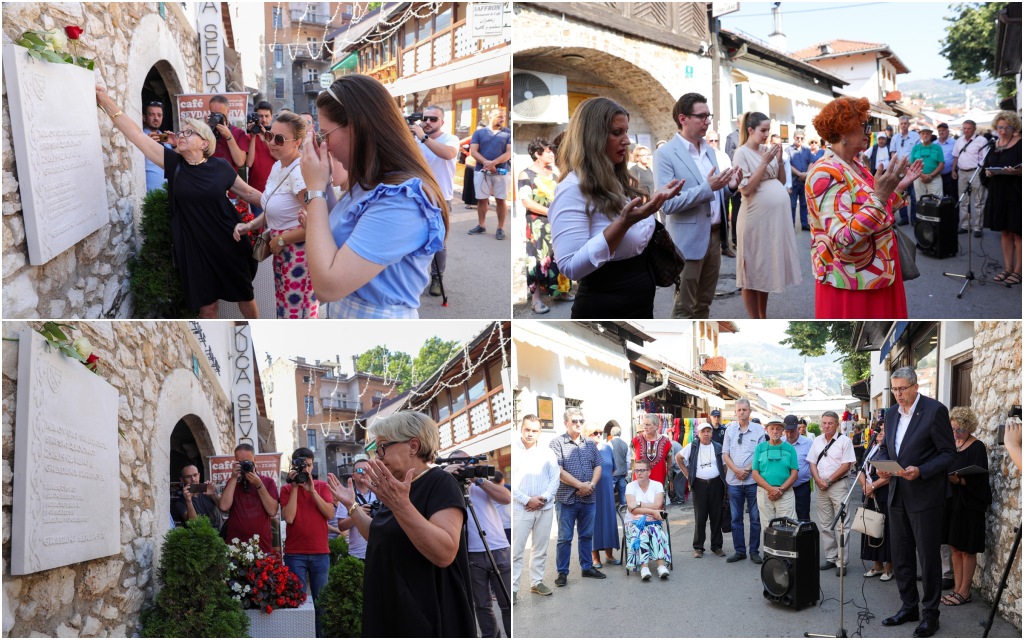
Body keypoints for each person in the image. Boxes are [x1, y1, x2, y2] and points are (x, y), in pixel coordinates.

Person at [96, 86, 263, 319]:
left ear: (204, 143)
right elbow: (136, 135)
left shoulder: (220, 167)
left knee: (245, 296)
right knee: (207, 308)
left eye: (189, 133)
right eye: (181, 132)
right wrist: (105, 101)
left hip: (228, 240)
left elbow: (249, 194)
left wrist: (282, 204)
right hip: (193, 247)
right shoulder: (174, 164)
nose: (182, 135)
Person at [298, 75, 447, 319]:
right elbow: (344, 227)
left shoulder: (402, 201)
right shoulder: (372, 182)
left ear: (356, 128)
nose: (326, 146)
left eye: (326, 135)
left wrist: (314, 189)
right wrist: (322, 184)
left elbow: (327, 286)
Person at [326, 411, 475, 638]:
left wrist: (400, 505)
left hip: (425, 616)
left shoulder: (440, 482)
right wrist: (351, 506)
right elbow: (378, 535)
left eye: (383, 447)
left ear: (413, 446)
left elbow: (445, 552)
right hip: (393, 609)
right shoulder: (396, 488)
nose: (377, 457)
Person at [549, 97, 682, 318]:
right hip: (605, 302)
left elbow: (635, 233)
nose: (627, 140)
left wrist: (651, 205)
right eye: (616, 133)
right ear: (593, 138)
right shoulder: (572, 189)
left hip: (640, 296)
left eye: (626, 132)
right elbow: (570, 266)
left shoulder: (617, 180)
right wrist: (623, 223)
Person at [806, 97, 922, 319]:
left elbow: (878, 211)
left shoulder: (856, 164)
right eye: (863, 125)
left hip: (876, 275)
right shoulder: (824, 172)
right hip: (852, 283)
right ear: (842, 131)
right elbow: (843, 238)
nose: (869, 131)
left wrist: (897, 188)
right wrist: (880, 195)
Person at [875, 367, 956, 639]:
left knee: (928, 557)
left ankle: (930, 614)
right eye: (894, 389)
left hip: (925, 496)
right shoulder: (891, 413)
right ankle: (908, 606)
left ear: (915, 386)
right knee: (901, 556)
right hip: (897, 494)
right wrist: (883, 465)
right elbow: (887, 447)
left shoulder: (934, 411)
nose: (897, 394)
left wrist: (921, 470)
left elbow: (948, 454)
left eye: (902, 389)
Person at [655, 92, 741, 319]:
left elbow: (716, 194)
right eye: (701, 116)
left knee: (704, 304)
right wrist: (707, 188)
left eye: (708, 116)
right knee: (684, 308)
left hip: (714, 237)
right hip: (687, 241)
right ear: (683, 119)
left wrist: (730, 187)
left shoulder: (710, 151)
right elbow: (667, 204)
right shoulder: (665, 154)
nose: (707, 121)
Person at [234, 112, 317, 318]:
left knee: (297, 315)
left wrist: (281, 239)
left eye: (279, 139)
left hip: (298, 254)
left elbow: (315, 223)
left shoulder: (299, 172)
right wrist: (251, 225)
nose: (272, 143)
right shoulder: (278, 165)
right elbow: (273, 206)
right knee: (284, 310)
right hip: (281, 250)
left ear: (297, 142)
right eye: (270, 136)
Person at [733, 112, 802, 319]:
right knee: (750, 273)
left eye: (768, 130)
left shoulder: (767, 150)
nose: (766, 135)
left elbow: (780, 181)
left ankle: (763, 316)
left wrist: (779, 161)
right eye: (763, 130)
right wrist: (763, 163)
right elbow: (745, 189)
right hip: (754, 219)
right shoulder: (741, 154)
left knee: (764, 270)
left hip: (772, 222)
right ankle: (755, 318)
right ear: (750, 130)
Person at [445, 450, 511, 638]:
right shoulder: (447, 484)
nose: (462, 466)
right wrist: (447, 477)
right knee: (482, 606)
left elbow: (506, 498)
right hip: (470, 554)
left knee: (506, 604)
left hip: (498, 549)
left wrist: (478, 479)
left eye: (465, 462)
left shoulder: (481, 482)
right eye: (456, 462)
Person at [280, 447, 335, 637]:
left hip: (320, 553)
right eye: (302, 465)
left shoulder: (321, 486)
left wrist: (312, 491)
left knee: (322, 604)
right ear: (294, 465)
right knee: (298, 602)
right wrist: (295, 486)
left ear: (312, 465)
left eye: (309, 465)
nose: (306, 469)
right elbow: (289, 518)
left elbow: (329, 514)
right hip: (296, 554)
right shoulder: (287, 489)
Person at [941, 407, 992, 607]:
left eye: (960, 430)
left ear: (969, 427)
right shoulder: (952, 445)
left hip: (970, 504)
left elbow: (981, 479)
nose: (956, 433)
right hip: (953, 503)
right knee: (955, 547)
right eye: (953, 429)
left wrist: (959, 481)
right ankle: (957, 588)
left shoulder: (977, 447)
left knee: (967, 549)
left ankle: (965, 591)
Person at [549, 407, 605, 586]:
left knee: (587, 535)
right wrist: (580, 485)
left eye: (581, 421)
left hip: (589, 498)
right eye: (574, 421)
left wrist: (592, 485)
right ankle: (562, 573)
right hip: (566, 499)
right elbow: (558, 471)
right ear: (565, 423)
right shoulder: (556, 443)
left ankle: (587, 567)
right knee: (565, 537)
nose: (579, 424)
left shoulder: (589, 443)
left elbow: (598, 466)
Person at [412, 105, 461, 297]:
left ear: (442, 122)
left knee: (438, 241)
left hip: (441, 198)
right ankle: (414, 276)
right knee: (414, 238)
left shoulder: (450, 139)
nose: (428, 122)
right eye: (425, 118)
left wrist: (423, 137)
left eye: (433, 119)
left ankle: (437, 278)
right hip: (417, 195)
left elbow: (448, 154)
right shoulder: (415, 139)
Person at [519, 137, 571, 314]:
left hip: (557, 223)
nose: (552, 154)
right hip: (537, 225)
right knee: (538, 260)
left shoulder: (555, 174)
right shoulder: (526, 174)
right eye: (548, 151)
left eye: (552, 151)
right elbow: (526, 201)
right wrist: (550, 212)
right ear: (537, 154)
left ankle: (559, 292)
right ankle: (536, 299)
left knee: (558, 257)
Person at [512, 415, 560, 600]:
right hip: (520, 509)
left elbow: (555, 478)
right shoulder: (514, 451)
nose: (530, 434)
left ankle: (536, 582)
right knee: (516, 551)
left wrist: (544, 498)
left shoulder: (547, 453)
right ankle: (513, 589)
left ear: (540, 432)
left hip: (544, 507)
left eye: (534, 430)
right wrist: (527, 500)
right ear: (521, 429)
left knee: (540, 548)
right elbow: (510, 485)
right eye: (527, 429)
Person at [807, 411, 856, 576]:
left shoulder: (845, 441)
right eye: (824, 423)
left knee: (842, 525)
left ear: (836, 424)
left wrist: (828, 480)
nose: (826, 426)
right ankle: (831, 557)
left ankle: (842, 562)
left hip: (838, 485)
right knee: (825, 524)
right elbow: (812, 463)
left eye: (830, 423)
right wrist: (818, 480)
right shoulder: (817, 441)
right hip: (821, 486)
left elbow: (846, 465)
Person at [722, 399, 765, 563]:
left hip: (753, 481)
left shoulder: (758, 430)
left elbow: (760, 454)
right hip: (734, 481)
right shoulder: (730, 430)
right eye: (739, 410)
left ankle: (754, 551)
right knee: (735, 518)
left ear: (750, 411)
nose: (742, 412)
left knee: (755, 518)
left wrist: (747, 469)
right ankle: (739, 551)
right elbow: (725, 454)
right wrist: (736, 470)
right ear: (735, 412)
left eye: (744, 410)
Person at [982, 111, 1022, 285]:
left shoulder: (1020, 144)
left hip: (1016, 193)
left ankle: (1018, 271)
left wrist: (1017, 172)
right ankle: (1007, 268)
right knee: (1004, 232)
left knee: (1017, 232)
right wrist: (989, 172)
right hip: (998, 192)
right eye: (1000, 127)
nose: (1003, 131)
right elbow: (986, 166)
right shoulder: (994, 145)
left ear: (1014, 128)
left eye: (1007, 128)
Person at [219, 443, 280, 555]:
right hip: (235, 547)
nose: (244, 465)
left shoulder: (267, 482)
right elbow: (224, 506)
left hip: (261, 546)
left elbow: (272, 511)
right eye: (240, 462)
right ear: (235, 461)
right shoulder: (233, 482)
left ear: (255, 460)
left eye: (247, 462)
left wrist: (259, 485)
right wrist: (233, 478)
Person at [677, 421, 727, 558]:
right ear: (698, 434)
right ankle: (698, 547)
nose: (706, 434)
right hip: (699, 485)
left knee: (716, 516)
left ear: (711, 433)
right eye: (703, 431)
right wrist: (687, 474)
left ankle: (717, 546)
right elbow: (678, 457)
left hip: (716, 484)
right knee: (700, 517)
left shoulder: (718, 447)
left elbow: (724, 465)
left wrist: (724, 479)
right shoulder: (692, 446)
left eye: (708, 431)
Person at [467, 108, 512, 240]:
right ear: (490, 116)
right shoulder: (479, 133)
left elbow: (508, 153)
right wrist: (486, 163)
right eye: (499, 116)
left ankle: (500, 228)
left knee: (500, 199)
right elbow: (473, 151)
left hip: (501, 171)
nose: (502, 119)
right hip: (482, 171)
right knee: (481, 199)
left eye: (503, 117)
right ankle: (481, 225)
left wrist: (494, 163)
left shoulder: (508, 133)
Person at [623, 460, 671, 580]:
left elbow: (658, 505)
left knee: (656, 531)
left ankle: (661, 567)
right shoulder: (630, 486)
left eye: (642, 470)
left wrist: (639, 504)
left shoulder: (657, 485)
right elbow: (631, 509)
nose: (639, 473)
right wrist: (652, 511)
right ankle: (644, 567)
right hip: (633, 523)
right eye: (636, 470)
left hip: (653, 521)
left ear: (649, 472)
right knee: (643, 533)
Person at [751, 417, 799, 536]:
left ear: (782, 430)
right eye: (771, 428)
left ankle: (787, 554)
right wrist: (771, 489)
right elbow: (755, 473)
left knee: (790, 525)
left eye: (778, 429)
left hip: (785, 492)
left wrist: (781, 490)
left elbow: (794, 474)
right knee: (767, 526)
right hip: (764, 492)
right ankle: (769, 554)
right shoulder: (759, 448)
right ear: (767, 430)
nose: (775, 431)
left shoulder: (790, 448)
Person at [860, 427, 894, 581]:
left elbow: (890, 474)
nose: (881, 432)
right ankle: (877, 564)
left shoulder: (892, 450)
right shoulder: (872, 448)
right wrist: (865, 487)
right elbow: (861, 469)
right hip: (869, 493)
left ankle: (889, 567)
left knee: (886, 530)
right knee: (872, 528)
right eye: (879, 429)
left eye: (884, 430)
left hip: (885, 494)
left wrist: (873, 486)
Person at [586, 427, 619, 569]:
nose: (599, 435)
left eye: (601, 432)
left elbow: (612, 468)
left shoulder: (607, 448)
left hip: (606, 490)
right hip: (591, 490)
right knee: (594, 522)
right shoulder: (584, 449)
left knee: (609, 521)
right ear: (588, 434)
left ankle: (609, 555)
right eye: (595, 432)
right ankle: (595, 558)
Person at [951, 119, 989, 236]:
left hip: (976, 172)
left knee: (978, 201)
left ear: (974, 129)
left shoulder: (981, 140)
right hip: (962, 172)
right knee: (963, 200)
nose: (966, 131)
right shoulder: (959, 140)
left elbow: (985, 158)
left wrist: (983, 171)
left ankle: (977, 227)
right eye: (964, 128)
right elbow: (956, 156)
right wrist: (953, 169)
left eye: (969, 128)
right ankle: (965, 225)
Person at [334, 457, 375, 560]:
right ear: (353, 476)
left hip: (379, 551)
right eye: (360, 470)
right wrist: (357, 512)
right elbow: (341, 527)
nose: (364, 472)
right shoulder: (346, 496)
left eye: (367, 469)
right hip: (357, 554)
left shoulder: (380, 493)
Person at [706, 131, 736, 257]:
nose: (713, 143)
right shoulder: (703, 154)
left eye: (716, 140)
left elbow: (729, 171)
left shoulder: (723, 156)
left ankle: (725, 246)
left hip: (722, 190)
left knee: (724, 219)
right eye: (711, 140)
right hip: (708, 191)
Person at [245, 101, 277, 210]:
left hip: (276, 191)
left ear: (271, 117)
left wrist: (266, 140)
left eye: (267, 116)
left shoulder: (277, 137)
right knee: (259, 226)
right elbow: (249, 163)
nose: (264, 119)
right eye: (260, 116)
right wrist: (254, 136)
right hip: (257, 192)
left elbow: (279, 158)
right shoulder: (249, 137)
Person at [890, 116, 921, 225]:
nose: (903, 125)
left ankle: (913, 219)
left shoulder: (915, 136)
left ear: (908, 124)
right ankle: (904, 218)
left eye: (905, 123)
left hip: (912, 168)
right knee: (900, 194)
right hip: (899, 170)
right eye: (901, 123)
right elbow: (893, 153)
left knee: (913, 195)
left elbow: (918, 152)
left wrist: (910, 163)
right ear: (899, 124)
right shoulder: (895, 138)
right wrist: (900, 164)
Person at [783, 414, 814, 521]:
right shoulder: (780, 443)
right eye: (787, 431)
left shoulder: (808, 443)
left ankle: (804, 538)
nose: (789, 434)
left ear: (797, 429)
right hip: (783, 487)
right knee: (786, 517)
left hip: (802, 486)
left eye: (792, 431)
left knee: (803, 517)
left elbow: (813, 463)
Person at [208, 94, 249, 171]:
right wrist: (205, 129)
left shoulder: (239, 133)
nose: (216, 117)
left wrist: (229, 137)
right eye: (213, 114)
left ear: (228, 111)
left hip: (229, 180)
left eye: (219, 114)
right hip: (209, 178)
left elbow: (240, 162)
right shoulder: (206, 131)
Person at [142, 100, 175, 193]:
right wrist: (146, 142)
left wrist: (175, 144)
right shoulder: (141, 137)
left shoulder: (165, 138)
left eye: (159, 115)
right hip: (150, 193)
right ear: (144, 117)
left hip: (168, 191)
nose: (156, 118)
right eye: (152, 114)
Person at [632, 413, 673, 487]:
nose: (644, 427)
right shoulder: (635, 441)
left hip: (658, 485)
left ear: (656, 426)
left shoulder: (666, 442)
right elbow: (634, 462)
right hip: (639, 485)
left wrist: (670, 481)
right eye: (644, 424)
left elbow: (670, 464)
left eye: (648, 425)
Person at [909, 125, 945, 200]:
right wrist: (922, 175)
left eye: (927, 133)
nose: (925, 135)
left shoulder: (937, 148)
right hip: (919, 178)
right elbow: (911, 164)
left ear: (931, 135)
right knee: (921, 202)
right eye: (923, 133)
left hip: (934, 178)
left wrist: (931, 176)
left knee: (936, 201)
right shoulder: (915, 148)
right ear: (920, 135)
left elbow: (941, 164)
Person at [789, 130, 814, 230]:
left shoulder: (807, 150)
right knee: (793, 205)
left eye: (801, 138)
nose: (799, 140)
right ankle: (791, 225)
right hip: (794, 181)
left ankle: (804, 224)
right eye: (797, 137)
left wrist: (806, 174)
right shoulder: (788, 150)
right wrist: (799, 174)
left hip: (804, 181)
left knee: (804, 204)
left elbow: (811, 162)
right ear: (794, 137)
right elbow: (788, 165)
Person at [605, 420, 630, 507]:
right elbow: (628, 459)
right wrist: (627, 469)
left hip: (613, 471)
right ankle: (622, 504)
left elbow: (607, 458)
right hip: (623, 471)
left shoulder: (609, 444)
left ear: (611, 434)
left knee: (610, 489)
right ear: (620, 434)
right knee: (622, 488)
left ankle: (610, 505)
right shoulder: (625, 444)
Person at [935, 123, 957, 201]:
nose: (941, 132)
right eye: (939, 130)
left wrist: (953, 170)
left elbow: (956, 157)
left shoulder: (954, 143)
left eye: (943, 130)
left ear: (948, 132)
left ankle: (953, 213)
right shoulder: (934, 144)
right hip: (937, 176)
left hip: (950, 175)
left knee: (952, 197)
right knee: (939, 198)